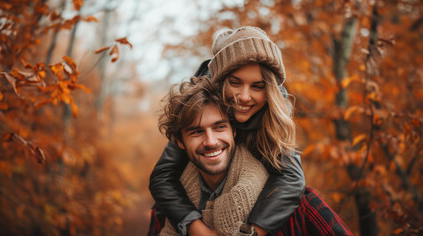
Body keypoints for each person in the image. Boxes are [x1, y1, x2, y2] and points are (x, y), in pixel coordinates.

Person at [149, 26, 305, 236]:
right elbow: (162, 176)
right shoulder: (203, 106)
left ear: (269, 92)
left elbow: (291, 179)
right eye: (235, 83)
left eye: (257, 86)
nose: (244, 97)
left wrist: (254, 232)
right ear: (220, 81)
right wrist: (197, 229)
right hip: (200, 198)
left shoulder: (271, 116)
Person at [149, 77, 353, 236]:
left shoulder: (301, 205)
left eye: (219, 127)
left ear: (234, 131)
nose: (210, 141)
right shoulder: (168, 212)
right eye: (196, 132)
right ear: (180, 142)